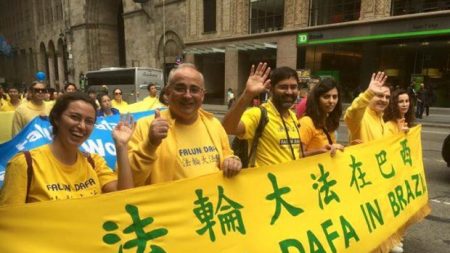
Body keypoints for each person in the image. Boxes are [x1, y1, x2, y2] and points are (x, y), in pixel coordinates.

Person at [0, 92, 135, 206]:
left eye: (89, 121)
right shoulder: (25, 164)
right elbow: (11, 223)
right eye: (74, 117)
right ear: (56, 118)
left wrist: (121, 146)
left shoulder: (94, 162)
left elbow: (124, 197)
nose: (82, 126)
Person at [127, 63, 241, 186]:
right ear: (168, 92)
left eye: (194, 89)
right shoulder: (145, 126)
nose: (187, 95)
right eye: (180, 88)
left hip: (208, 204)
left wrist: (231, 161)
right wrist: (150, 144)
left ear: (202, 95)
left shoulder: (214, 124)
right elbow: (128, 181)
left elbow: (227, 154)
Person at [222, 63, 302, 167]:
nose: (289, 92)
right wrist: (248, 94)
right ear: (271, 89)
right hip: (265, 181)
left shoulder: (293, 116)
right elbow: (228, 128)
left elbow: (293, 154)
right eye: (283, 87)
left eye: (293, 87)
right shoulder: (258, 114)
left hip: (288, 181)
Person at [299, 78, 344, 157]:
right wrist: (319, 152)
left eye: (335, 97)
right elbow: (296, 156)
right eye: (326, 97)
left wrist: (352, 147)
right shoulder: (306, 122)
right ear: (317, 99)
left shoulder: (328, 122)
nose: (331, 101)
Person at [344, 72, 389, 144]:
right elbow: (353, 112)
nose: (384, 100)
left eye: (387, 97)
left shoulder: (380, 117)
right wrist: (369, 93)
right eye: (380, 95)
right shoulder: (360, 117)